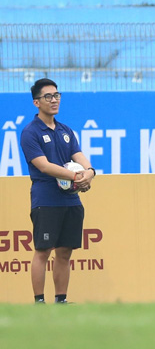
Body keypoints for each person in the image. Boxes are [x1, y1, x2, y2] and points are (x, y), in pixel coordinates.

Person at [20, 78, 96, 304]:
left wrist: (90, 171)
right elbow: (43, 165)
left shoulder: (65, 130)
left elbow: (79, 156)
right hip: (46, 200)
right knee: (43, 251)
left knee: (65, 253)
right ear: (36, 102)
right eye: (48, 97)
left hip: (71, 201)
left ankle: (61, 301)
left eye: (56, 95)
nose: (54, 100)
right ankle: (39, 302)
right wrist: (76, 176)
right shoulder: (30, 132)